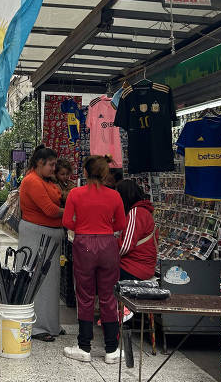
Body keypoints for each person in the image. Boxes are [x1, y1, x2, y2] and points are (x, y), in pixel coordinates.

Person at [61, 156, 127, 364]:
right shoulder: (114, 195)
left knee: (85, 296)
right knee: (109, 297)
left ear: (85, 173)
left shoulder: (75, 194)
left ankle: (84, 347)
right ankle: (111, 349)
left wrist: (84, 225)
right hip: (107, 245)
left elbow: (66, 222)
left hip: (84, 245)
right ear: (106, 173)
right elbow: (121, 224)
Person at [18, 145, 65, 342]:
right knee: (38, 279)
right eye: (51, 165)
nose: (54, 168)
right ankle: (37, 326)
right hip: (37, 235)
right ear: (40, 163)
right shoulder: (32, 181)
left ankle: (50, 323)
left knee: (50, 283)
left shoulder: (44, 180)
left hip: (48, 236)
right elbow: (50, 210)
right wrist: (74, 209)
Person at [116, 179, 157, 281]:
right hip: (141, 266)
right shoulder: (143, 212)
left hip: (133, 268)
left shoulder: (136, 212)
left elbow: (125, 246)